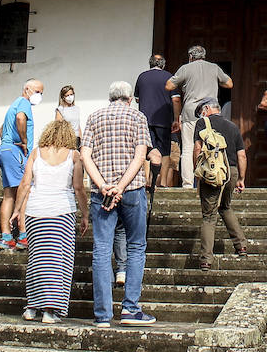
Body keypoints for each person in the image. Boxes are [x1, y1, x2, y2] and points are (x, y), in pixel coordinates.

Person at [80, 80, 155, 327]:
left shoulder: (94, 117)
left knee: (101, 250)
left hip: (101, 192)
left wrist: (103, 185)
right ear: (130, 98)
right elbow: (140, 155)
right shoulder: (137, 117)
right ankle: (131, 309)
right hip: (131, 190)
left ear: (110, 97)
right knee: (136, 246)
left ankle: (102, 314)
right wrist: (121, 187)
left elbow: (85, 155)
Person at [10, 118, 88, 324]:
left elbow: (25, 183)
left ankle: (32, 306)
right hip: (61, 212)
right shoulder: (74, 155)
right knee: (57, 261)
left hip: (36, 212)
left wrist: (17, 210)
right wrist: (86, 214)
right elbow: (78, 188)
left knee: (37, 259)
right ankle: (50, 309)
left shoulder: (36, 153)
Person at [165, 45, 233, 188]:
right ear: (204, 56)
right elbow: (229, 83)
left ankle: (188, 184)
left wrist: (184, 83)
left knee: (188, 148)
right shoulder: (214, 68)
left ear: (191, 57)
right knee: (210, 145)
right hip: (210, 111)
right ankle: (208, 179)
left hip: (191, 112)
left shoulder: (186, 68)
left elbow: (169, 86)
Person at [192, 97, 247, 271]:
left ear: (207, 109)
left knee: (209, 216)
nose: (202, 114)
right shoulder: (233, 126)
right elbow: (242, 155)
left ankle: (206, 259)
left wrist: (198, 172)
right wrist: (241, 179)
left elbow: (197, 149)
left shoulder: (202, 123)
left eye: (202, 110)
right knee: (225, 207)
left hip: (212, 172)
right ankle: (241, 246)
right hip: (231, 172)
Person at [0, 78, 42, 250]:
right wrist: (23, 141)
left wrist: (7, 143)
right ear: (27, 89)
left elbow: (1, 129)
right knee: (24, 192)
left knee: (9, 195)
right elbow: (20, 118)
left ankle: (6, 237)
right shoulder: (23, 103)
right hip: (16, 152)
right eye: (38, 91)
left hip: (5, 150)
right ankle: (23, 235)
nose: (39, 95)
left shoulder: (14, 104)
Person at [133, 54, 174, 191]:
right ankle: (162, 181)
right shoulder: (169, 76)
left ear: (150, 63)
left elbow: (137, 98)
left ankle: (147, 180)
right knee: (165, 150)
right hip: (164, 119)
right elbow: (176, 99)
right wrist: (176, 118)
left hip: (145, 119)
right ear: (163, 64)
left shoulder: (142, 77)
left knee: (146, 149)